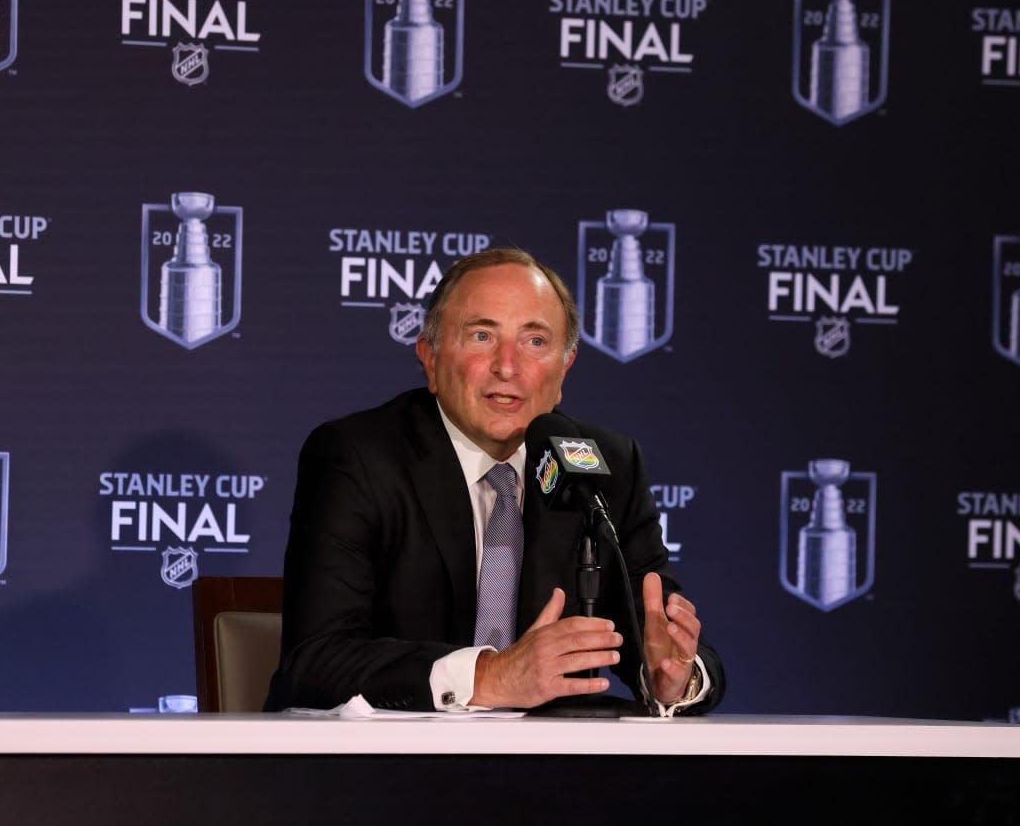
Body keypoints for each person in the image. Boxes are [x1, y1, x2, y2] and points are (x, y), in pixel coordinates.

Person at [264, 248, 724, 714]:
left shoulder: (605, 467)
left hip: (554, 777)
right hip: (386, 772)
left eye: (536, 342)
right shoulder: (359, 457)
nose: (508, 366)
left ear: (565, 369)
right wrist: (490, 676)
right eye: (482, 335)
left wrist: (675, 679)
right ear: (430, 357)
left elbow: (657, 636)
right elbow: (314, 663)